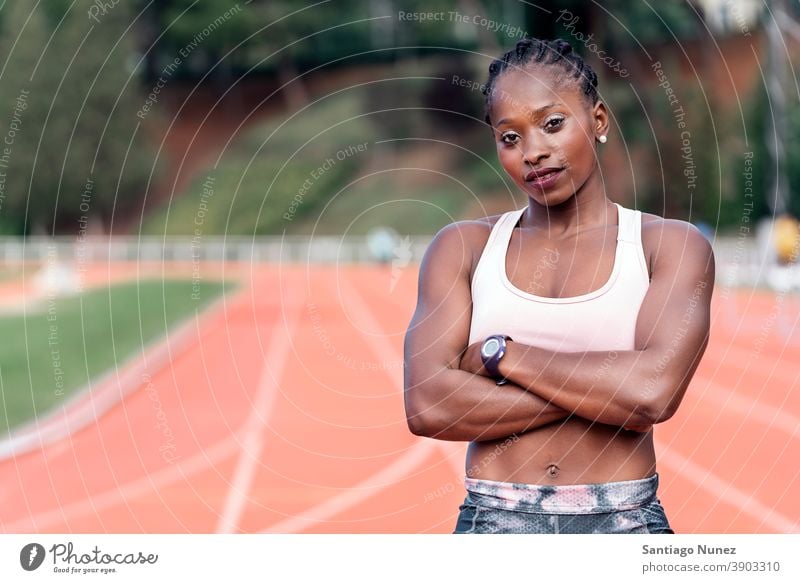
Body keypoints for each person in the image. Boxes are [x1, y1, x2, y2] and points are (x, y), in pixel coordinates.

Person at [402, 37, 715, 534]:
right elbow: (427, 406)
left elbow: (652, 394)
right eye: (510, 137)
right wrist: (608, 399)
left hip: (623, 522)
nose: (534, 152)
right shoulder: (463, 248)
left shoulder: (668, 247)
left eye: (552, 124)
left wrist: (501, 356)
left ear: (598, 120)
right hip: (492, 522)